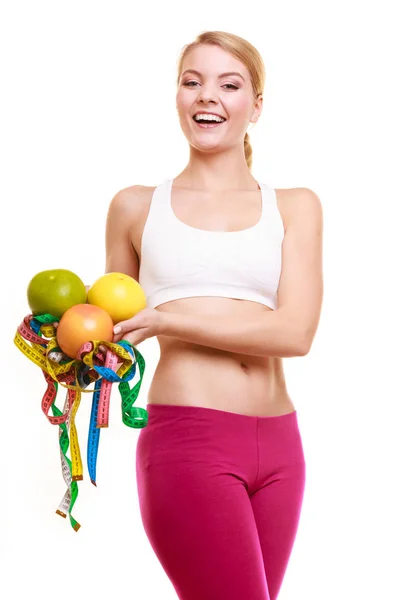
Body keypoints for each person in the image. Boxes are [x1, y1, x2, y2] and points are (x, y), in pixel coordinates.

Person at [106, 30, 323, 600]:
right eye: (192, 82)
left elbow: (295, 333)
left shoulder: (295, 205)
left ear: (255, 106)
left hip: (281, 444)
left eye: (230, 84)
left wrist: (170, 321)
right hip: (187, 439)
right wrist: (76, 345)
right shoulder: (135, 207)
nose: (208, 96)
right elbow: (115, 328)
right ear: (176, 98)